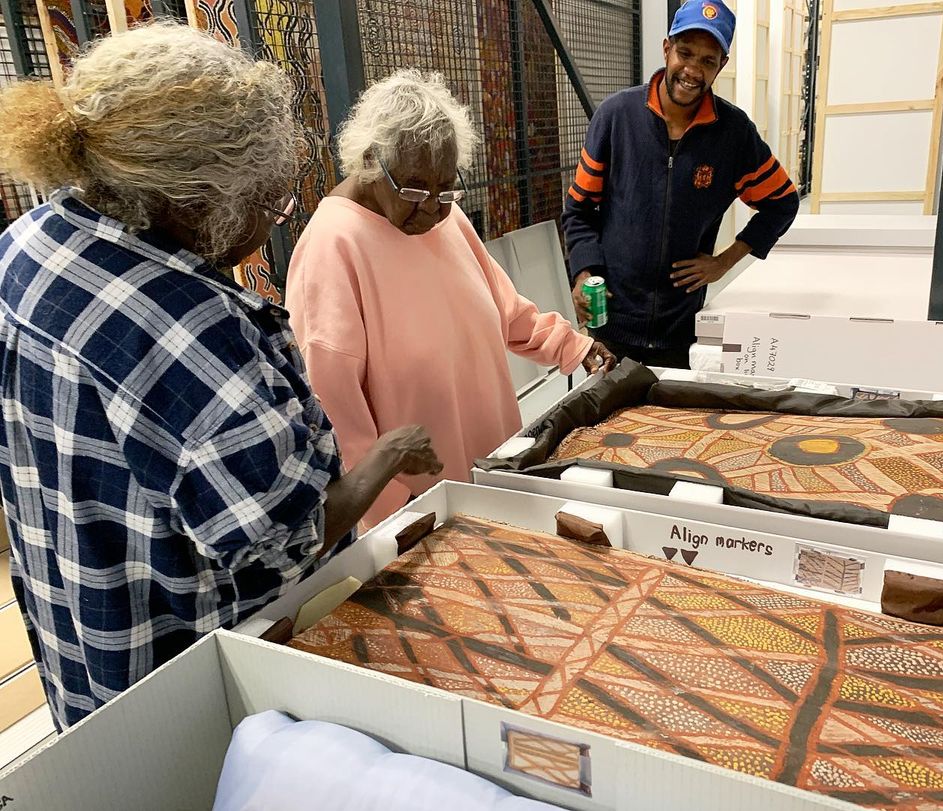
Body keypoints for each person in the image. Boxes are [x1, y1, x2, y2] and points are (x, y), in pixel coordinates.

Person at [0, 24, 441, 729]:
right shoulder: (196, 335)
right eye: (268, 205)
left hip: (79, 639)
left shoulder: (28, 243)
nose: (268, 227)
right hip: (187, 680)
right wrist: (386, 455)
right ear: (191, 198)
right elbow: (284, 546)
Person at [286, 70, 615, 529]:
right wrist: (399, 520)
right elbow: (339, 420)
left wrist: (572, 347)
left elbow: (504, 308)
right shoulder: (331, 247)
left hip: (496, 473)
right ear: (368, 162)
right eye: (415, 189)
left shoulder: (446, 218)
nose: (432, 209)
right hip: (421, 515)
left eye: (446, 189)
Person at [562, 0, 799, 369]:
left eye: (708, 60)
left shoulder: (733, 134)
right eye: (685, 53)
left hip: (683, 333)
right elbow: (578, 209)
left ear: (721, 65)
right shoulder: (616, 117)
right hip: (611, 327)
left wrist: (724, 262)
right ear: (666, 49)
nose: (692, 70)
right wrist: (583, 273)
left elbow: (782, 201)